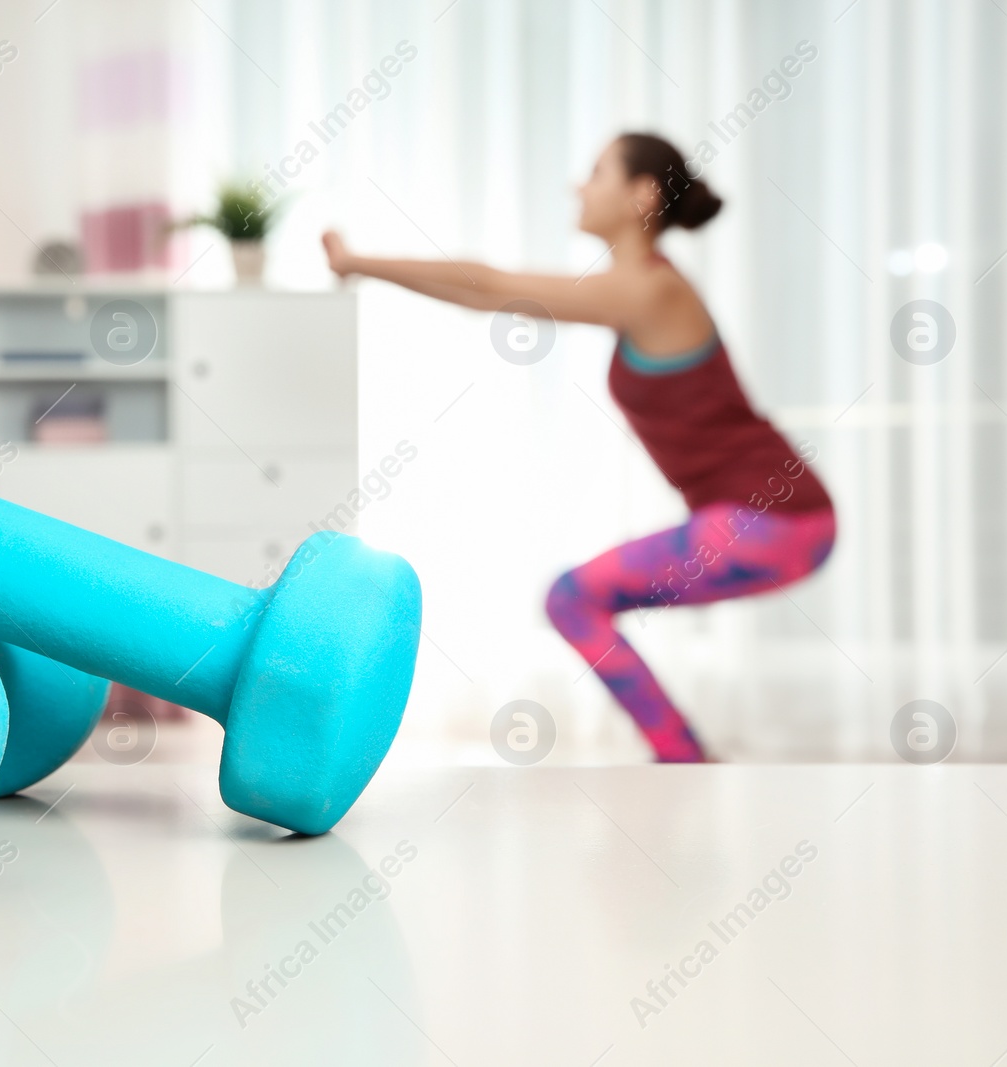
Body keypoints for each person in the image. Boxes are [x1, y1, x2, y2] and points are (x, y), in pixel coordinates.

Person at [321, 132, 835, 762]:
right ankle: (683, 756)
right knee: (574, 599)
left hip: (779, 519)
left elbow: (487, 287)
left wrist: (358, 263)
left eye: (596, 172)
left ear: (642, 195)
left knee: (572, 598)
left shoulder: (650, 288)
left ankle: (684, 758)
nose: (578, 186)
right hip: (764, 518)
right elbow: (485, 291)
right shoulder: (644, 288)